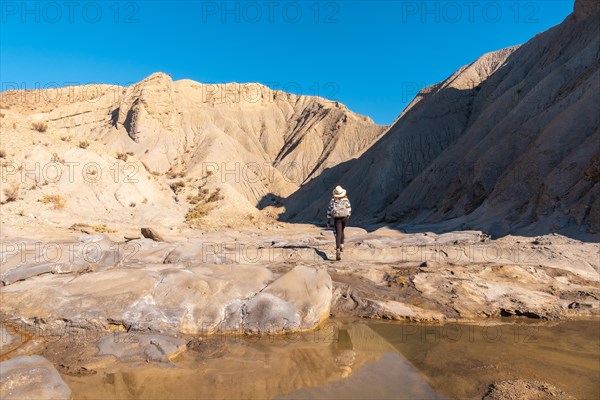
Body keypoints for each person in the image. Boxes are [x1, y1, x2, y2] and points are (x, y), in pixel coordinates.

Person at [326, 185, 351, 261]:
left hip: (337, 219)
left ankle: (337, 250)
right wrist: (347, 217)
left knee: (338, 233)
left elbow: (329, 211)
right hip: (344, 218)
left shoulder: (332, 201)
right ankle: (342, 245)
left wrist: (328, 221)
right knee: (342, 231)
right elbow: (349, 209)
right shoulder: (346, 200)